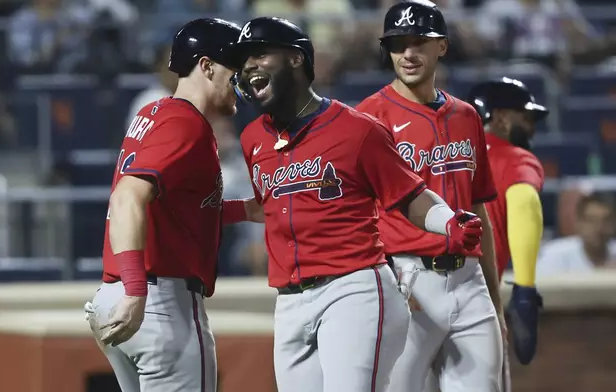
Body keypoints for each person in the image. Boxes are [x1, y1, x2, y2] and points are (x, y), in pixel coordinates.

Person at [229, 16, 485, 392]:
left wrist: (447, 223)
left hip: (353, 290)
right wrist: (218, 211)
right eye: (245, 58)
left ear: (297, 59)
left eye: (260, 53)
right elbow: (273, 204)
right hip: (289, 301)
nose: (249, 64)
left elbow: (410, 194)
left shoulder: (357, 129)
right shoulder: (253, 138)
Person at [83, 18, 262, 392]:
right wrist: (136, 291)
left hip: (116, 294)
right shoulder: (185, 124)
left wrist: (244, 210)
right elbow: (127, 196)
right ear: (207, 66)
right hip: (156, 299)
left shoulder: (156, 113)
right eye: (236, 70)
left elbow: (173, 208)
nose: (242, 82)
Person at [355, 1, 505, 391]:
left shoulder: (467, 115)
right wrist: (385, 287)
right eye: (398, 43)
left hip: (469, 281)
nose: (407, 53)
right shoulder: (369, 117)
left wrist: (495, 298)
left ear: (442, 46)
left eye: (419, 42)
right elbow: (357, 215)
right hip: (406, 277)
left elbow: (477, 210)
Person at [467, 77, 548, 390]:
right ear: (500, 118)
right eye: (525, 118)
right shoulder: (515, 157)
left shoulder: (439, 157)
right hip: (475, 301)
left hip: (408, 292)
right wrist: (525, 291)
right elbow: (524, 201)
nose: (531, 127)